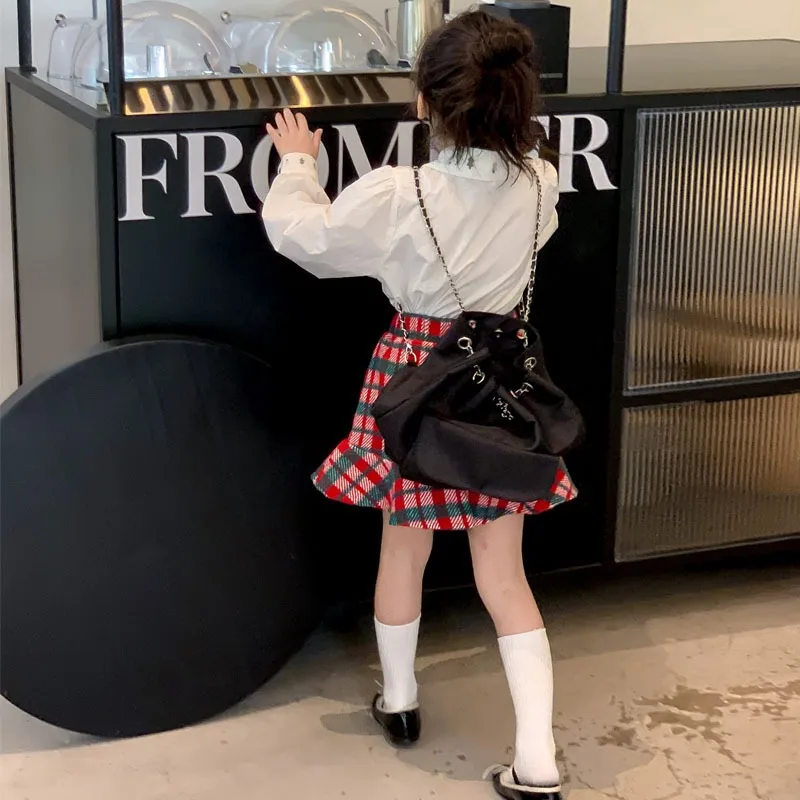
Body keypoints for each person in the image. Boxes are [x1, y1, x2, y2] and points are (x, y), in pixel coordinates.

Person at [261, 11, 576, 800]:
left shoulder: (402, 193)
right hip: (498, 380)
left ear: (425, 103)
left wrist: (298, 164)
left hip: (413, 377)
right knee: (504, 574)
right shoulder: (541, 181)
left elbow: (306, 239)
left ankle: (400, 703)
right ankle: (537, 759)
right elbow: (531, 237)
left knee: (403, 548)